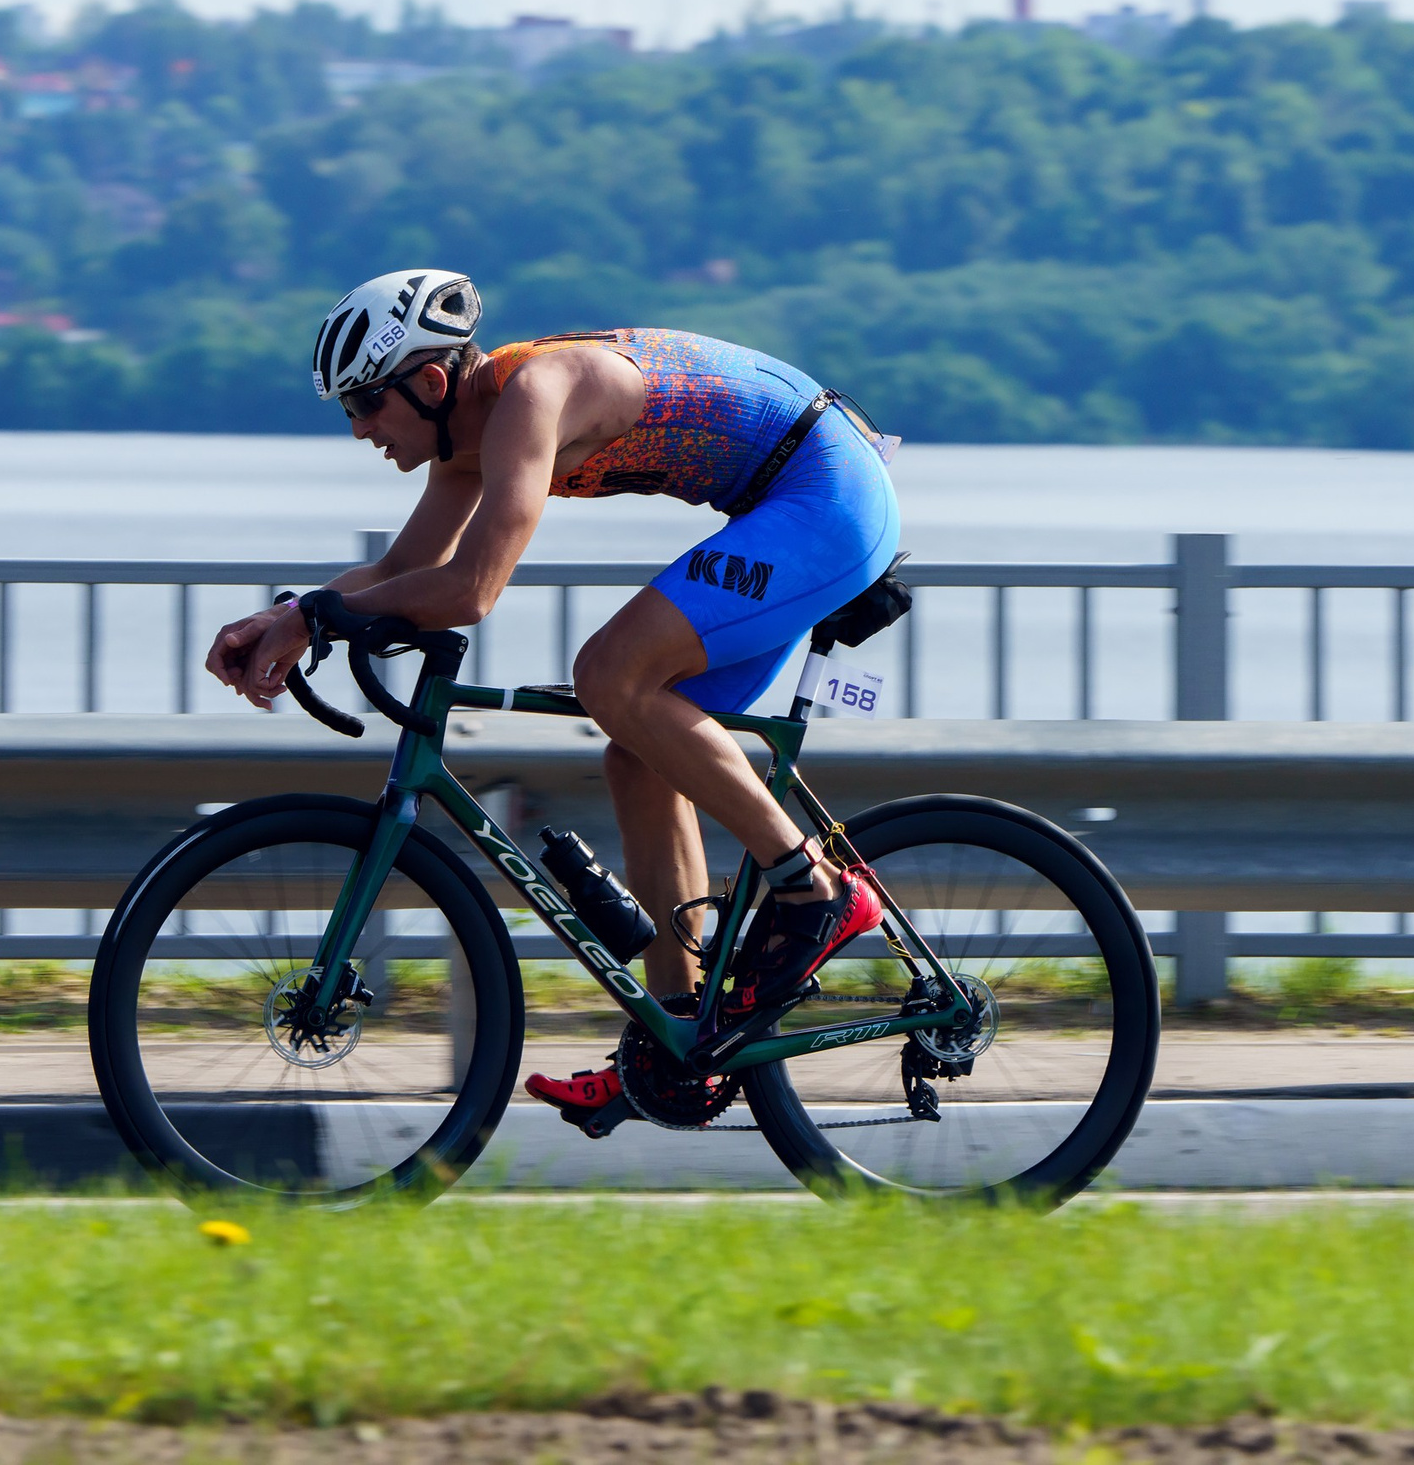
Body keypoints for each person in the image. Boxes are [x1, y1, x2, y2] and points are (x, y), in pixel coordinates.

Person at [204, 268, 900, 1126]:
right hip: (788, 501)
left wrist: (322, 615)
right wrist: (291, 614)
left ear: (428, 383)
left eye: (368, 405)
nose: (358, 431)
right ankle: (680, 1037)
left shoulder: (533, 393)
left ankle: (814, 887)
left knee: (611, 673)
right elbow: (396, 573)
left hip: (826, 493)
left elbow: (468, 588)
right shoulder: (463, 439)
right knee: (636, 754)